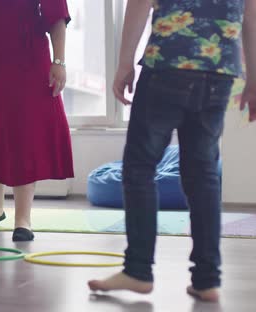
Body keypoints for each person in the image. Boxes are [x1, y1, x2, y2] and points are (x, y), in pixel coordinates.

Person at [88, 0, 256, 302]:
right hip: (219, 67)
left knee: (139, 168)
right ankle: (207, 279)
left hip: (170, 61)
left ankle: (138, 270)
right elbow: (251, 9)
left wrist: (125, 62)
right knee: (203, 174)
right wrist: (254, 76)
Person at [0, 0, 74, 242]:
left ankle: (23, 219)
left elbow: (56, 17)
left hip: (31, 61)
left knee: (26, 135)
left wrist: (59, 61)